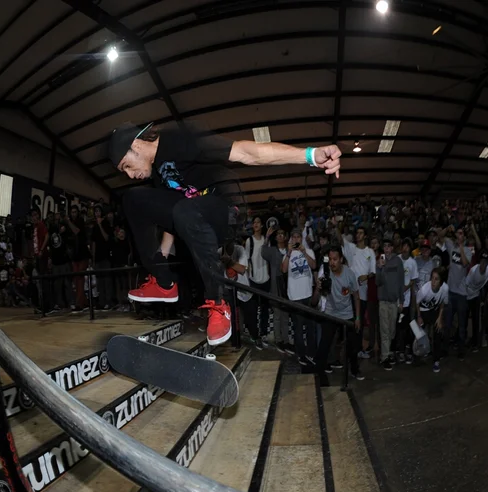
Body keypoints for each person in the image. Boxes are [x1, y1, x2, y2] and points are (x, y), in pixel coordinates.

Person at [109, 121, 341, 345]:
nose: (130, 175)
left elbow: (247, 152)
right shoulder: (158, 171)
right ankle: (163, 284)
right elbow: (173, 221)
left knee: (184, 208)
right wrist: (161, 262)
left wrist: (310, 155)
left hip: (226, 211)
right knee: (133, 199)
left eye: (126, 166)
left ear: (136, 145)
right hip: (191, 217)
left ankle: (218, 302)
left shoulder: (181, 139)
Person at [313, 245, 364, 380]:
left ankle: (354, 370)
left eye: (335, 259)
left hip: (347, 314)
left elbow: (356, 296)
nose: (332, 262)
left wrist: (357, 317)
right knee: (324, 344)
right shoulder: (325, 274)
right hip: (331, 313)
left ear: (341, 259)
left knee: (353, 346)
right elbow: (313, 302)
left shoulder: (349, 274)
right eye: (329, 259)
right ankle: (319, 373)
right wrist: (317, 289)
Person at [338, 225, 375, 359]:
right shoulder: (351, 248)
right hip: (350, 293)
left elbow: (373, 272)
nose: (358, 235)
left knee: (359, 322)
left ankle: (358, 349)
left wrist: (366, 276)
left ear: (365, 236)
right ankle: (349, 350)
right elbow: (340, 239)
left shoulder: (369, 252)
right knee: (350, 322)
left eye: (361, 233)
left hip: (363, 293)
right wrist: (336, 225)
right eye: (357, 233)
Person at [282, 228, 317, 363]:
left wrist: (303, 251)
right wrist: (289, 253)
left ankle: (311, 353)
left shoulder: (308, 251)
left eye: (298, 237)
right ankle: (301, 354)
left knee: (310, 326)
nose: (296, 239)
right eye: (294, 237)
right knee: (297, 327)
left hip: (307, 294)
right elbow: (283, 269)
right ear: (291, 239)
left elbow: (313, 266)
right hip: (294, 295)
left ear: (301, 239)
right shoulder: (288, 254)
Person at [444, 225, 472, 358]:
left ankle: (461, 350)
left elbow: (466, 264)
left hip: (461, 293)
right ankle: (445, 349)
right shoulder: (450, 245)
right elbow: (440, 236)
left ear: (464, 237)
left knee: (461, 324)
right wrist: (447, 228)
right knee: (448, 322)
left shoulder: (467, 250)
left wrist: (461, 247)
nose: (459, 235)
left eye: (461, 233)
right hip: (450, 291)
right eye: (458, 233)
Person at [376, 238, 404, 371]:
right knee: (385, 331)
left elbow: (401, 281)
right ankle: (384, 357)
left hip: (394, 301)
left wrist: (402, 301)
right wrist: (380, 268)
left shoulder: (398, 261)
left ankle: (389, 352)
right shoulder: (379, 262)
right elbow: (378, 282)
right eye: (384, 246)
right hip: (383, 301)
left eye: (389, 246)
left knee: (392, 330)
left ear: (392, 248)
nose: (386, 249)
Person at [261, 227, 291, 353]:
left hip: (289, 286)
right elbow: (263, 252)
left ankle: (286, 341)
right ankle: (278, 340)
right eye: (278, 234)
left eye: (282, 234)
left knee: (285, 315)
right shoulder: (273, 251)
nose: (280, 236)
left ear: (285, 236)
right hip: (276, 286)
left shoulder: (291, 250)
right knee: (277, 314)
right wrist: (267, 238)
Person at [416, 268, 448, 373]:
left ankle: (436, 360)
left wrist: (439, 318)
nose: (433, 282)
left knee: (438, 330)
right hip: (422, 310)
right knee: (417, 332)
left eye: (436, 279)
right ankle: (418, 352)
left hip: (434, 311)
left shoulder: (445, 289)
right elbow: (416, 302)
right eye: (432, 278)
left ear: (441, 281)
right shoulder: (425, 289)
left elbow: (443, 303)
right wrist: (419, 316)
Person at [245, 216, 271, 344]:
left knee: (265, 308)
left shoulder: (267, 241)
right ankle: (254, 334)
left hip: (266, 278)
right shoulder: (249, 241)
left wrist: (267, 239)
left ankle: (264, 332)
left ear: (262, 225)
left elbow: (267, 255)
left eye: (258, 222)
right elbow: (246, 261)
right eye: (254, 222)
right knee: (253, 309)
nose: (255, 224)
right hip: (254, 279)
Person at [465, 251, 488, 351]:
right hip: (468, 293)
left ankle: (475, 342)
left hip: (476, 294)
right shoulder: (473, 271)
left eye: (485, 262)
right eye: (482, 261)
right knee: (465, 318)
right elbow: (466, 284)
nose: (483, 264)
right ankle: (462, 339)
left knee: (476, 319)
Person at [396, 238, 419, 364]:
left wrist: (405, 289)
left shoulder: (412, 263)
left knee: (406, 326)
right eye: (403, 246)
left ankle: (407, 350)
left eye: (407, 246)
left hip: (406, 301)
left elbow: (413, 282)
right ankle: (399, 351)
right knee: (398, 327)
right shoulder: (396, 259)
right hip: (395, 300)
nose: (405, 249)